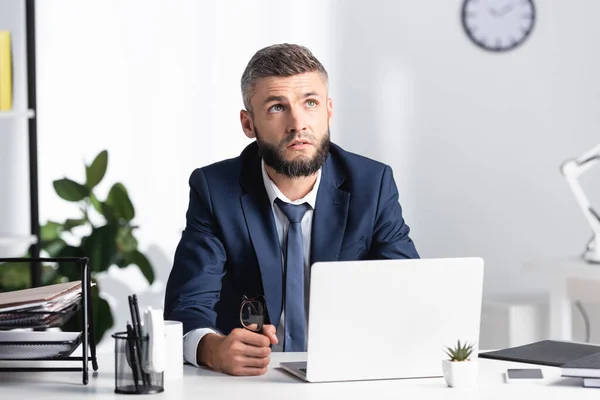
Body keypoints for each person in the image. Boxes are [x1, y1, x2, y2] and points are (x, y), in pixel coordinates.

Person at [164, 43, 419, 376]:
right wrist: (211, 349)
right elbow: (188, 302)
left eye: (309, 103)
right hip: (252, 380)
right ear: (248, 124)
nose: (298, 123)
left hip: (346, 374)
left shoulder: (372, 184)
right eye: (276, 107)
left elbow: (407, 289)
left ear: (328, 110)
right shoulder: (215, 189)